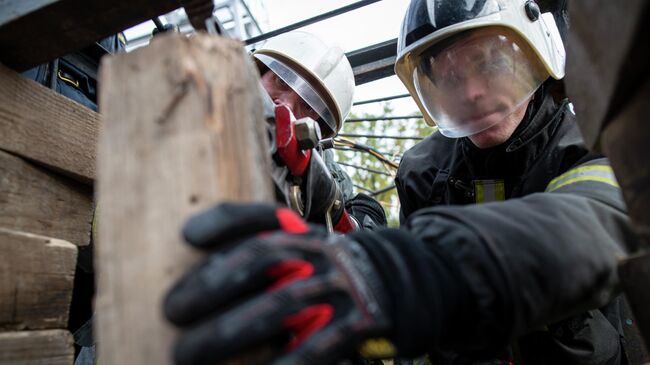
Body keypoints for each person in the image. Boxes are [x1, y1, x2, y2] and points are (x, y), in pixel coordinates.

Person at [163, 1, 637, 364]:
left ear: (534, 52)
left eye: (488, 63)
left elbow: (600, 218)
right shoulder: (423, 169)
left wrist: (417, 269)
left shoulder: (592, 144)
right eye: (448, 78)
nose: (470, 92)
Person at [253, 31, 386, 230]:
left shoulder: (329, 174)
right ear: (258, 73)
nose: (287, 106)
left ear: (319, 128)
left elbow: (367, 231)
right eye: (282, 81)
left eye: (308, 105)